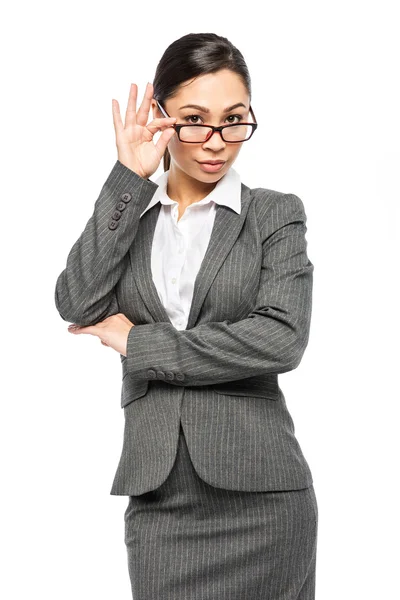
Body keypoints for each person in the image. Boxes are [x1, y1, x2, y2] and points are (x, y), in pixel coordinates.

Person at [54, 32, 318, 600]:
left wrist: (141, 346)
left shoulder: (273, 214)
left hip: (263, 500)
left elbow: (280, 338)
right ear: (161, 117)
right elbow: (76, 301)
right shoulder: (132, 218)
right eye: (194, 119)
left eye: (234, 120)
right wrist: (129, 176)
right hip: (159, 501)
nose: (216, 142)